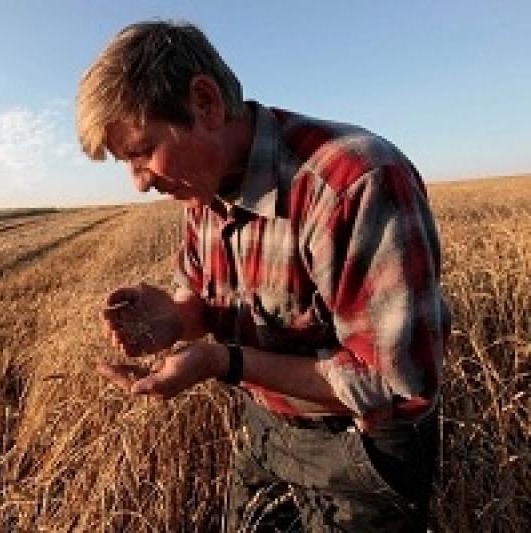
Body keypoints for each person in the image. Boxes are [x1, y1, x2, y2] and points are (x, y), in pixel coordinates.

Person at [77, 20, 450, 532]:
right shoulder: (201, 190)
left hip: (362, 452)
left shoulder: (353, 182)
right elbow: (203, 304)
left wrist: (220, 361)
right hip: (268, 431)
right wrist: (175, 318)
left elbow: (393, 384)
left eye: (141, 152)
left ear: (205, 103)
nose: (139, 184)